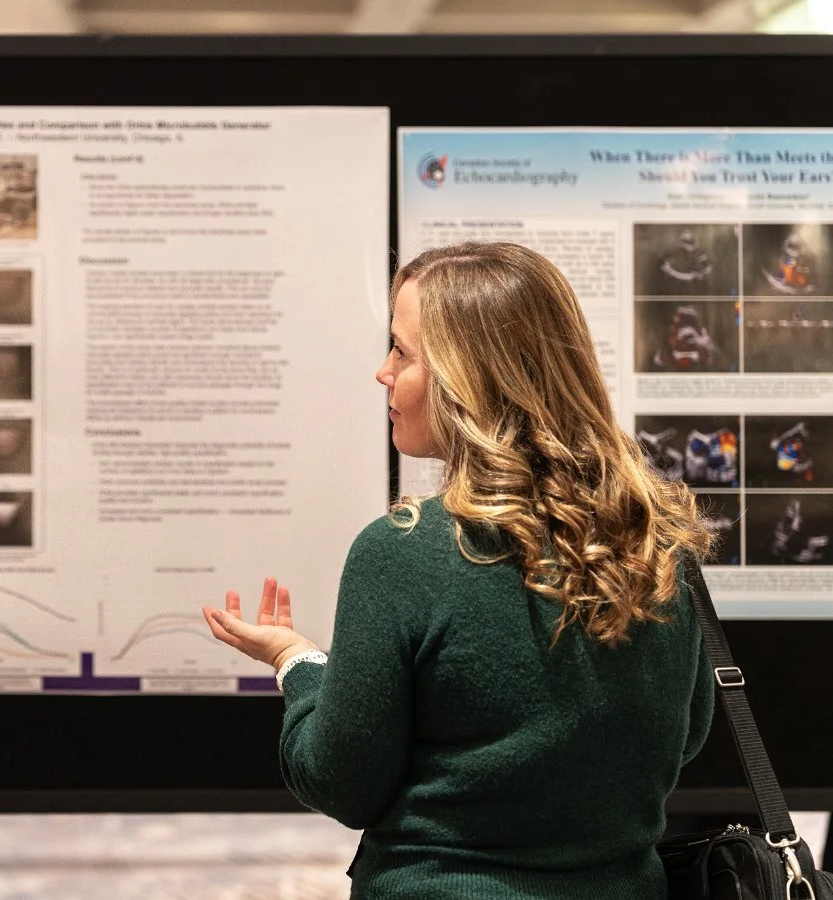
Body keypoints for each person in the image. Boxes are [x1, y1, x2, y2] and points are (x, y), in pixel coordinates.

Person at [203, 242, 716, 898]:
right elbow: (684, 734)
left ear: (463, 378)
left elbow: (340, 783)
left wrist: (298, 667)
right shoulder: (657, 539)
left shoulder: (402, 553)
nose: (382, 374)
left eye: (400, 352)